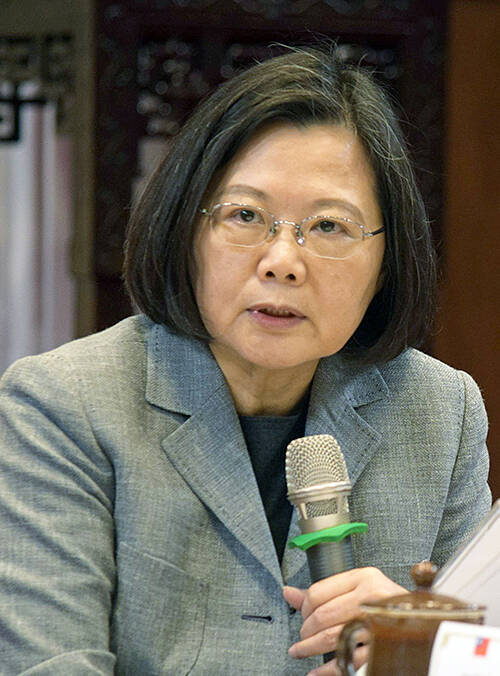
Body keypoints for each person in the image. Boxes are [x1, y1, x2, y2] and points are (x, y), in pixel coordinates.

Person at [0, 45, 491, 675]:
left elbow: (482, 654)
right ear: (187, 231)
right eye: (246, 215)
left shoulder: (440, 412)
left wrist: (421, 654)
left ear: (386, 261)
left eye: (329, 226)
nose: (282, 261)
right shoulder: (63, 405)